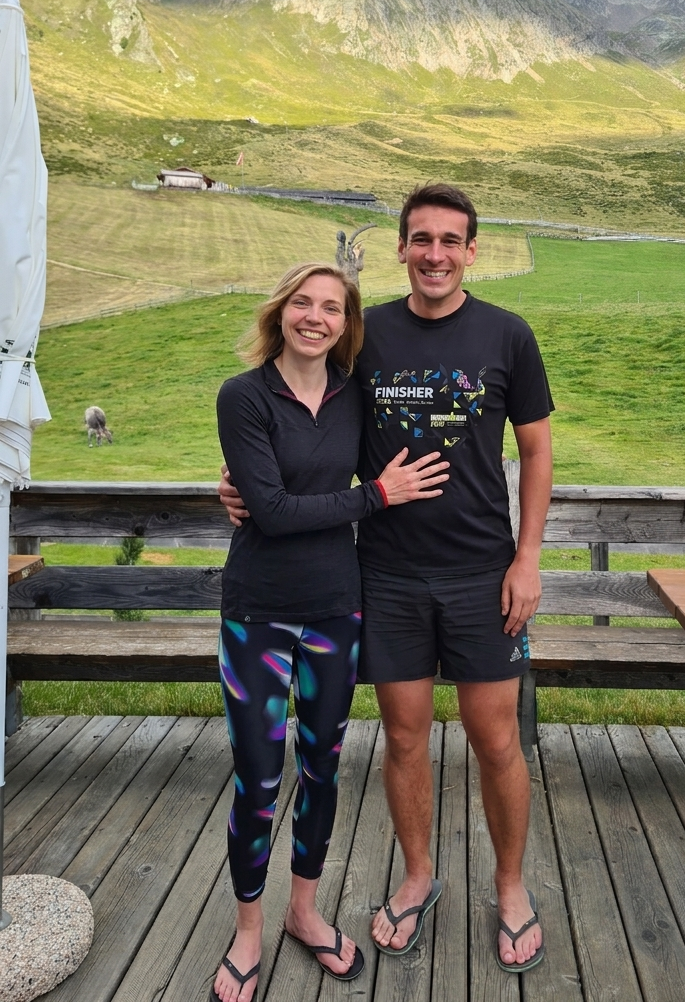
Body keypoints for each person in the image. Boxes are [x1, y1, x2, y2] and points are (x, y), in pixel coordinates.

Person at [221, 185, 553, 974]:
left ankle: (510, 888)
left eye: (450, 239)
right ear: (401, 249)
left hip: (483, 573)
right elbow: (297, 412)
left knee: (496, 738)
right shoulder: (365, 338)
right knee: (403, 738)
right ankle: (416, 877)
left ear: (473, 250)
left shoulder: (508, 334)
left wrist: (529, 557)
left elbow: (536, 451)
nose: (435, 253)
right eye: (421, 239)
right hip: (386, 574)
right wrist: (234, 485)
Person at [211, 261, 449, 1002]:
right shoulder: (244, 396)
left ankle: (305, 914)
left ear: (347, 324)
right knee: (258, 776)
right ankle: (249, 929)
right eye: (303, 303)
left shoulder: (357, 397)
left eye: (333, 308)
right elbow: (275, 514)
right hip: (256, 610)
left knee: (322, 767)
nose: (316, 317)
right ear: (281, 310)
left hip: (335, 610)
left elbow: (431, 415)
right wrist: (373, 496)